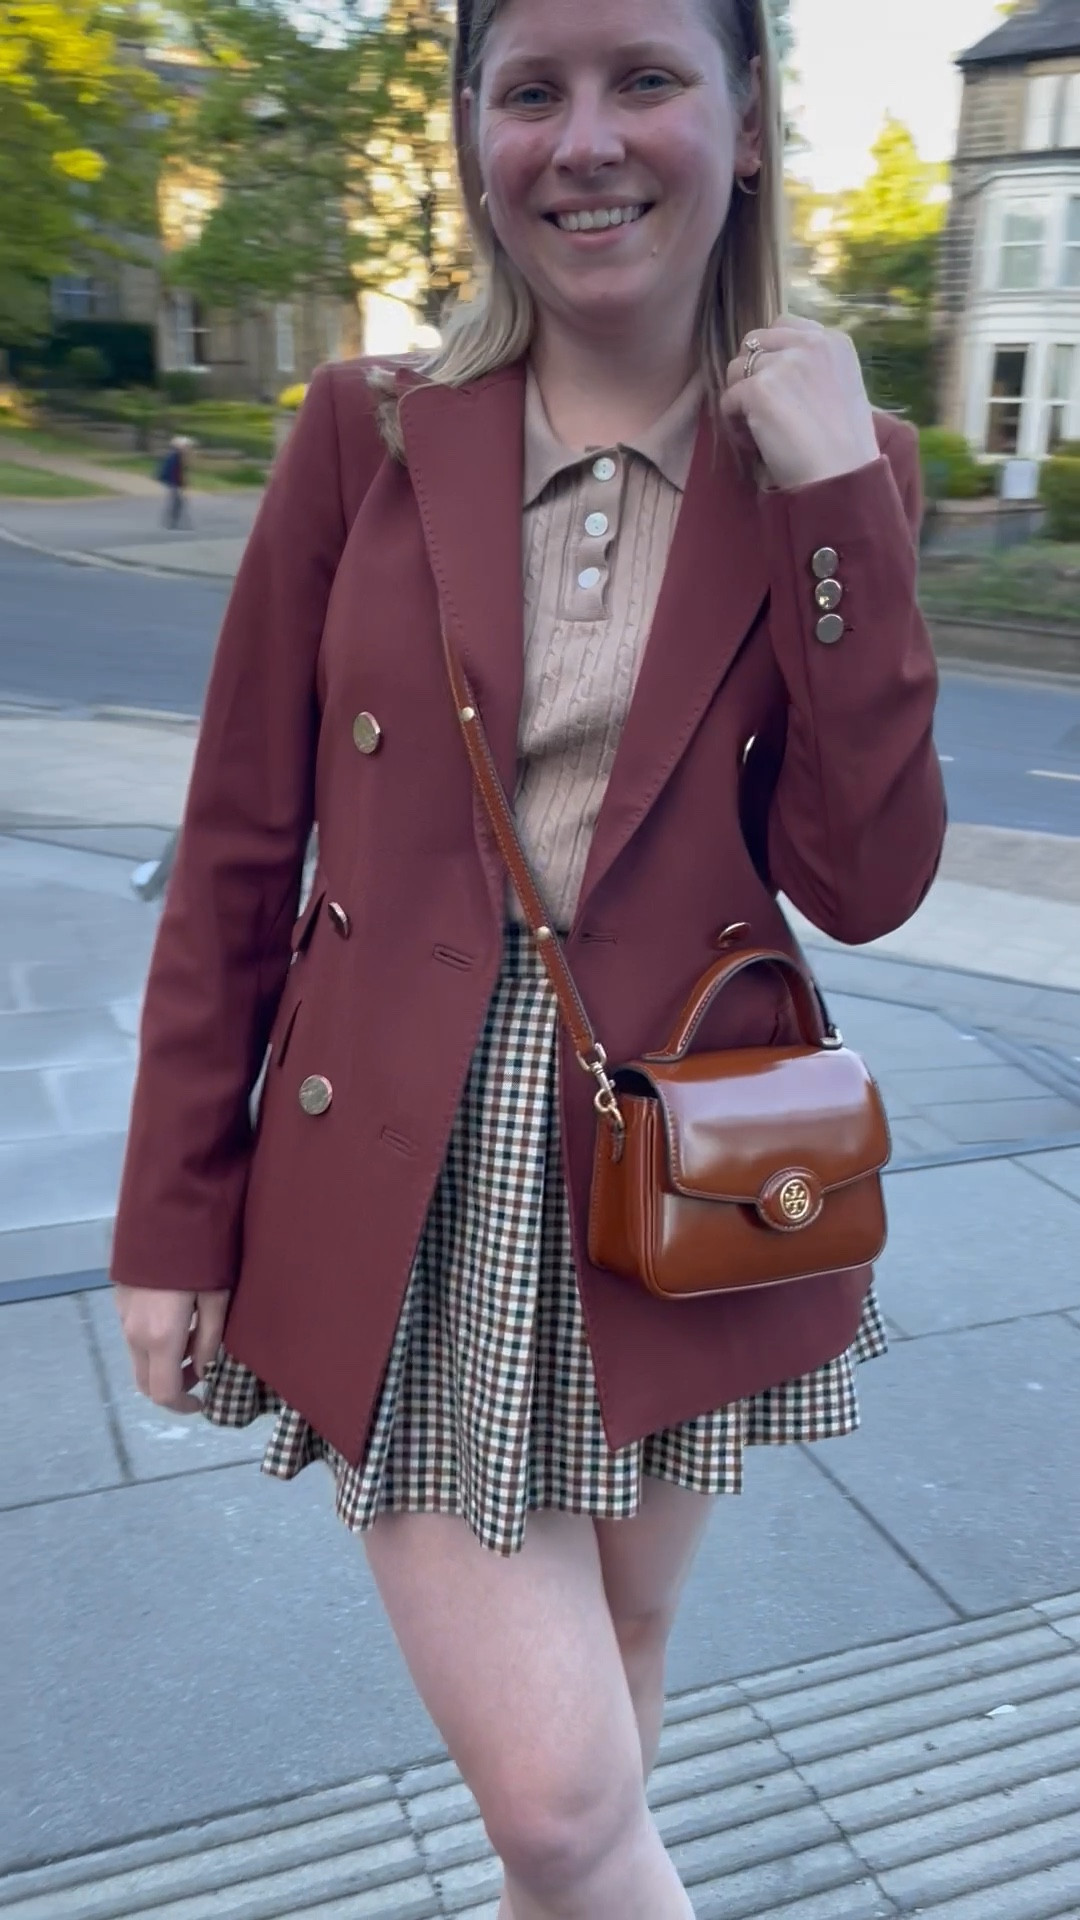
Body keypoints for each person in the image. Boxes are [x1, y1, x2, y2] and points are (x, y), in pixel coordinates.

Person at [111, 0, 946, 1913]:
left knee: (615, 1711)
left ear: (744, 116)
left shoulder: (839, 468)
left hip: (674, 1175)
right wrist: (173, 1212)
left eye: (645, 76)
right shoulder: (369, 435)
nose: (584, 139)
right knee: (571, 1802)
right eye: (530, 89)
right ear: (476, 131)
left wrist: (834, 497)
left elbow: (867, 871)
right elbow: (243, 839)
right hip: (394, 1164)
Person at [158, 434, 189, 528]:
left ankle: (171, 521)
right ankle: (171, 522)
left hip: (173, 482)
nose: (186, 448)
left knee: (176, 502)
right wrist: (179, 484)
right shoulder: (175, 456)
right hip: (174, 482)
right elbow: (175, 472)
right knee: (177, 502)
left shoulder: (175, 455)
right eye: (184, 446)